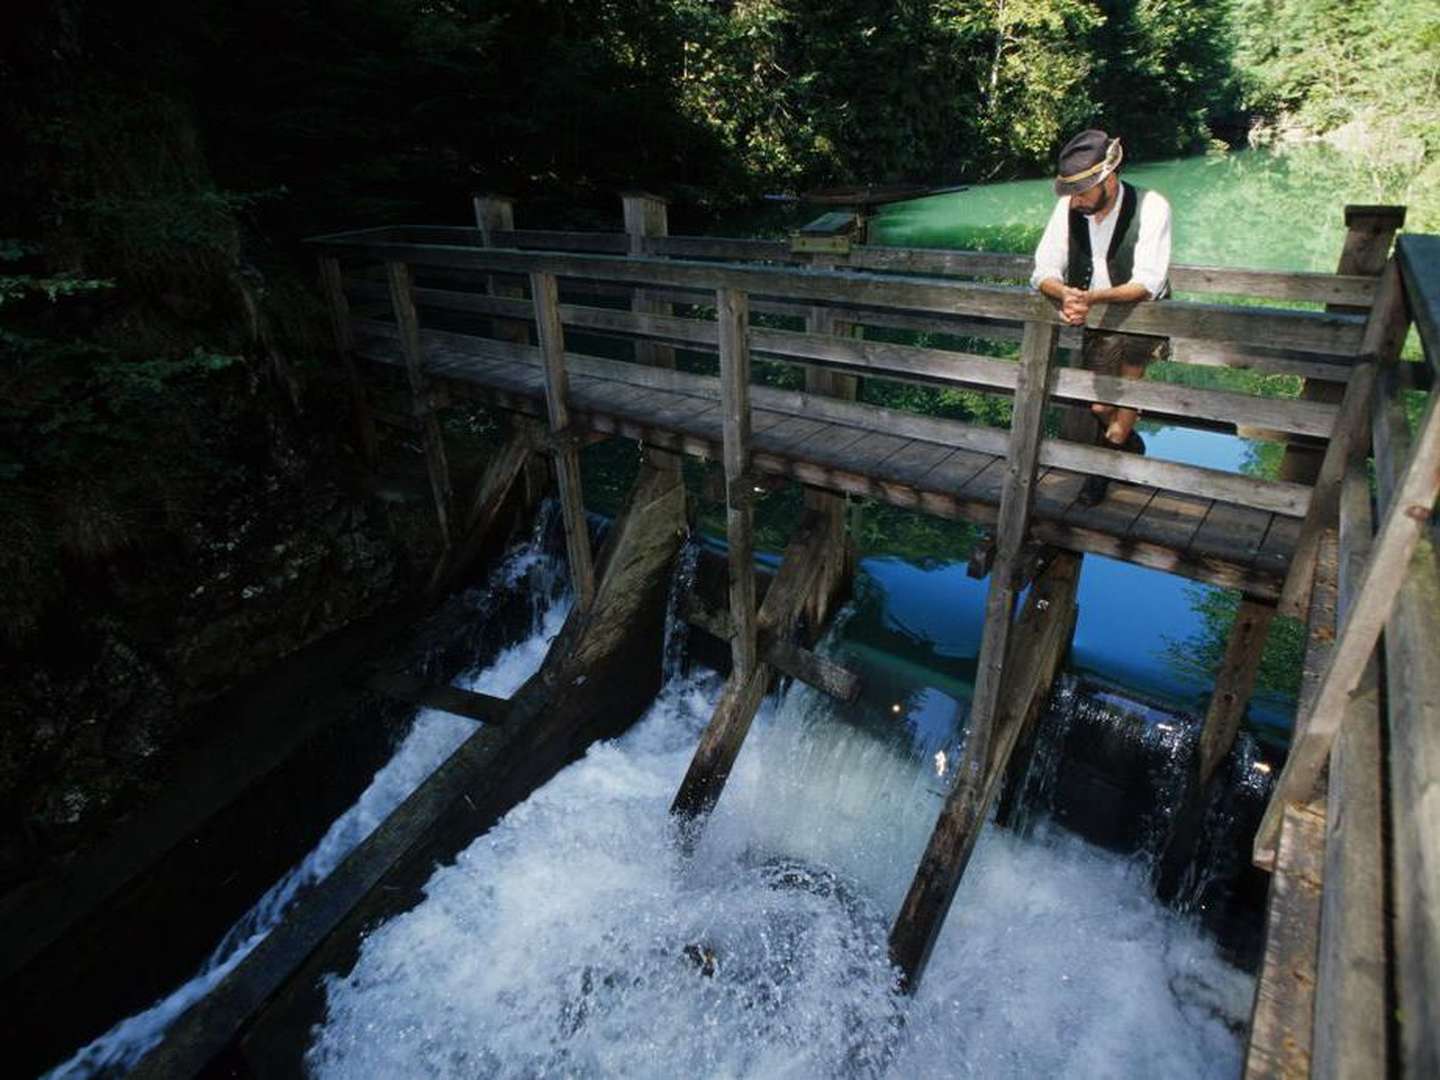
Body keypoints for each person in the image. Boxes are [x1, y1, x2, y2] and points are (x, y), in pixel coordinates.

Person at [1031, 129, 1171, 505]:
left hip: (1142, 316)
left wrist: (1089, 297)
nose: (1075, 201)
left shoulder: (1152, 206)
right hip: (1097, 319)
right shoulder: (1069, 207)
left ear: (1108, 179)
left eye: (1083, 192)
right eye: (1071, 192)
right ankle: (1128, 443)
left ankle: (1102, 471)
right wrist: (1065, 293)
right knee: (1099, 405)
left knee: (1123, 397)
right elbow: (1042, 267)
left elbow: (1148, 282)